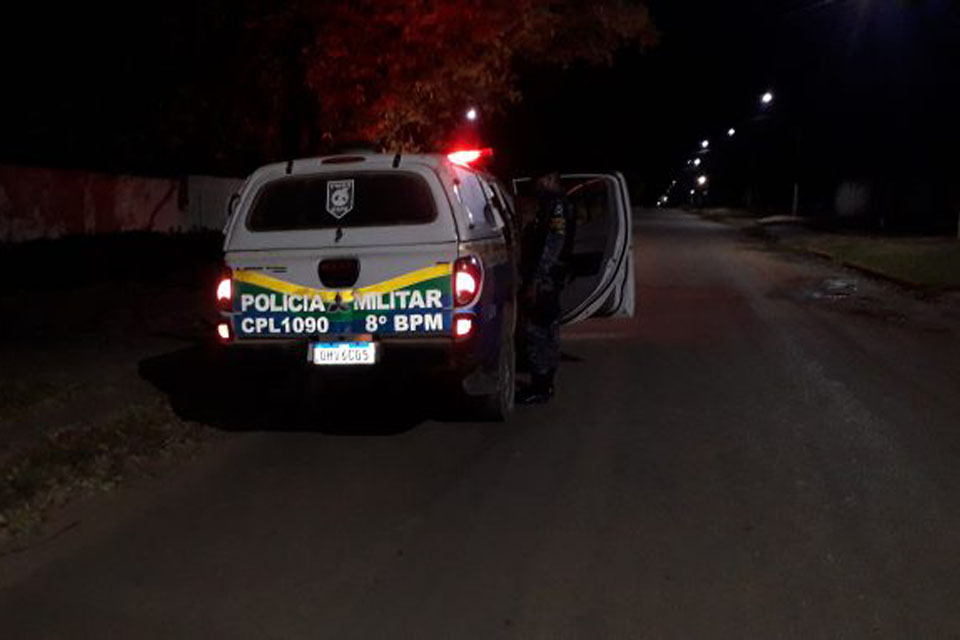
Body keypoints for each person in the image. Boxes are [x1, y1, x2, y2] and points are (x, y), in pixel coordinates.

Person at [517, 171, 575, 404]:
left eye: (540, 181)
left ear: (550, 179)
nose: (537, 186)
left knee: (538, 332)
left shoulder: (556, 206)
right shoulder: (559, 204)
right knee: (549, 331)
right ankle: (545, 383)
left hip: (545, 280)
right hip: (552, 279)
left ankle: (540, 386)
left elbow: (552, 245)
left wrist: (535, 280)